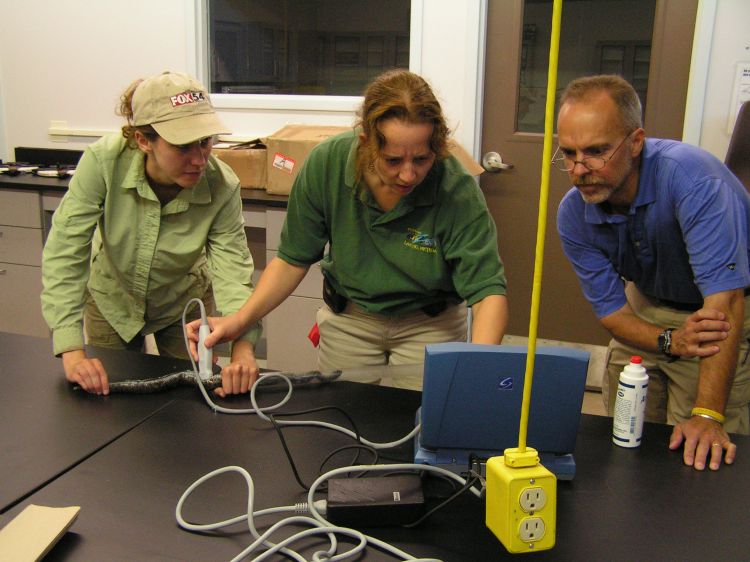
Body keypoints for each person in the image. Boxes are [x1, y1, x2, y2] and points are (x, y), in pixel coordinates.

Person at [189, 69, 508, 391]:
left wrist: (475, 365)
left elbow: (488, 292)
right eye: (393, 160)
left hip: (430, 323)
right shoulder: (327, 164)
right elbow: (292, 260)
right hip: (351, 318)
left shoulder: (455, 187)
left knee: (428, 424)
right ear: (366, 143)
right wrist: (240, 320)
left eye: (422, 159)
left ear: (436, 148)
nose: (409, 175)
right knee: (341, 416)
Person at [555, 74, 750, 471]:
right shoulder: (573, 213)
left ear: (636, 141)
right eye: (568, 153)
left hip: (721, 310)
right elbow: (613, 314)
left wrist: (709, 416)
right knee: (625, 441)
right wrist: (671, 341)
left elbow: (725, 302)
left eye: (595, 152)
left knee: (701, 454)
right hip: (647, 303)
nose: (579, 169)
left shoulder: (694, 181)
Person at [41, 71, 261, 397]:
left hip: (182, 301)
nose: (200, 159)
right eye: (183, 147)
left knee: (192, 399)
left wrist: (243, 345)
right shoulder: (103, 163)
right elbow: (66, 248)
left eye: (205, 142)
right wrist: (71, 350)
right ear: (144, 140)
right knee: (110, 401)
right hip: (112, 297)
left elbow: (233, 269)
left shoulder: (222, 184)